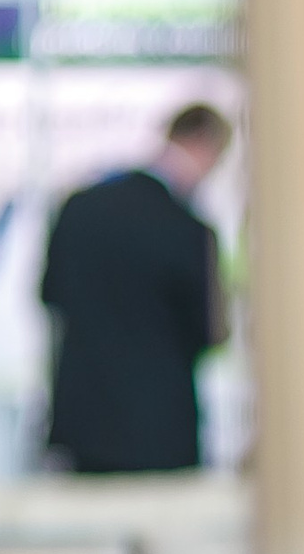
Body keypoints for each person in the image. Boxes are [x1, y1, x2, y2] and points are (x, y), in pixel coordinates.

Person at [39, 102, 231, 472]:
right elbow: (209, 331)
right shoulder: (190, 231)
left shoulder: (79, 209)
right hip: (162, 433)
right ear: (206, 146)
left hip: (83, 428)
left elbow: (50, 296)